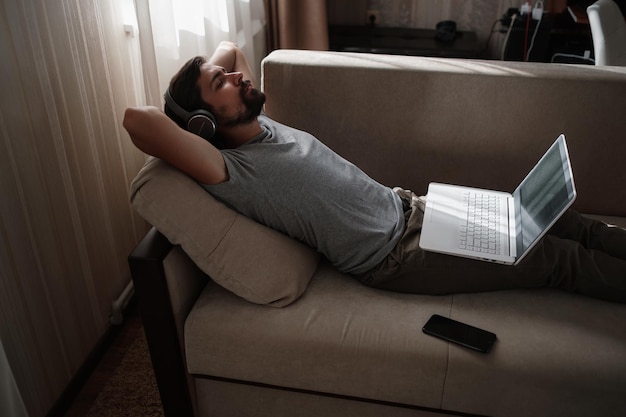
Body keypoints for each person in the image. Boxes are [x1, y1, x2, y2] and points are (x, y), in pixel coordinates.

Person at [124, 41, 626, 304]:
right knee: (559, 260)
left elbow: (229, 47)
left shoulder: (257, 123)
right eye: (223, 84)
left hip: (416, 208)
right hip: (398, 256)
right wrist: (192, 117)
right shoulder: (229, 167)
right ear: (203, 122)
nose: (238, 74)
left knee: (555, 216)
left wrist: (210, 82)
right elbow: (138, 121)